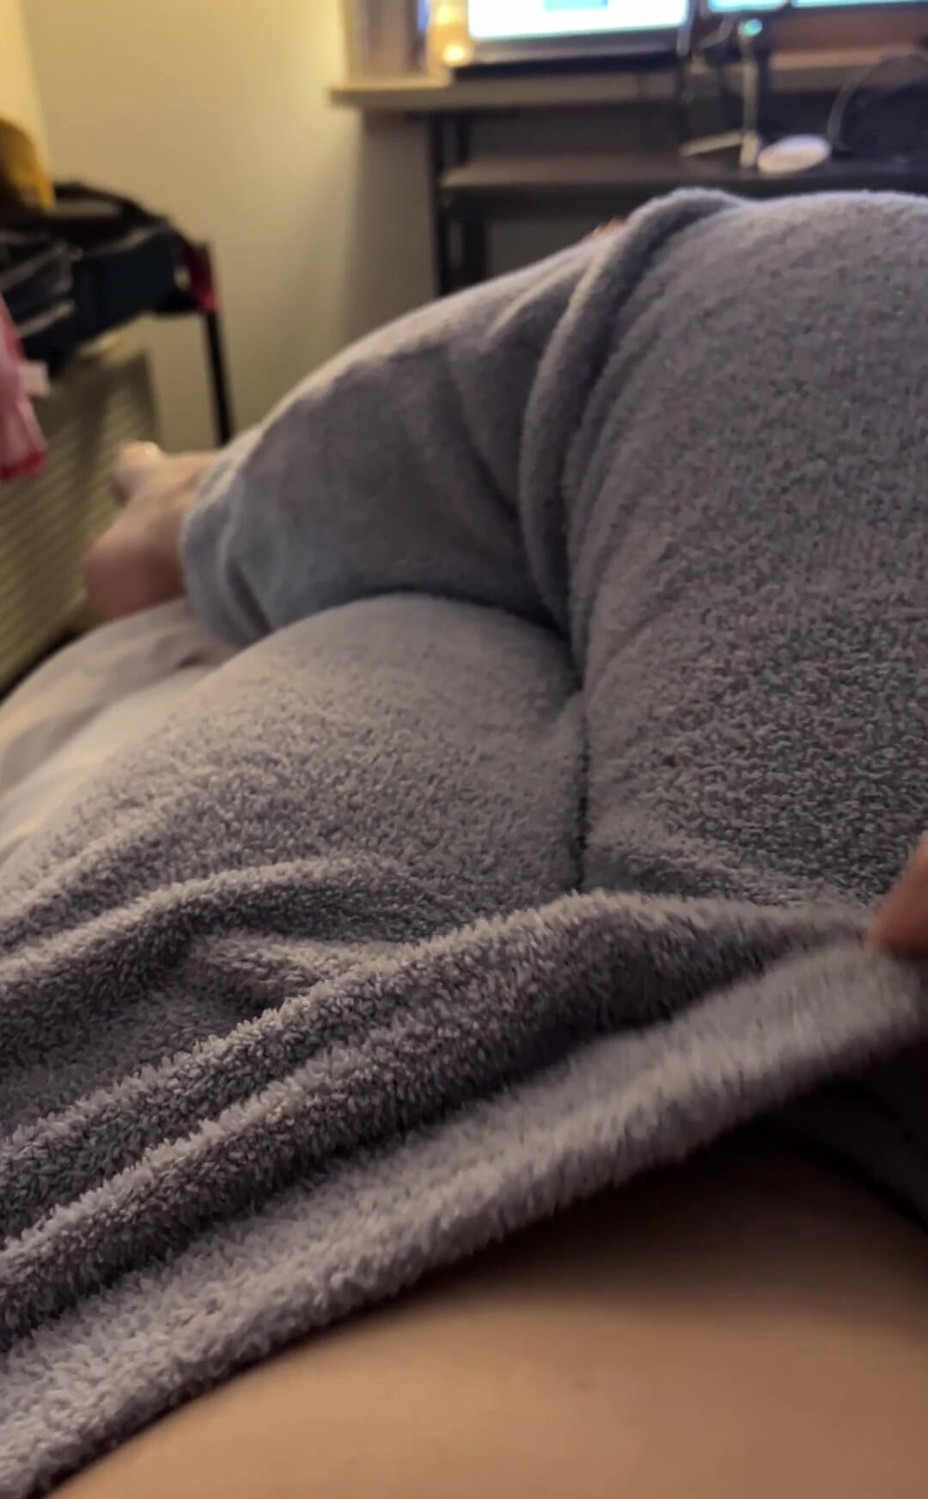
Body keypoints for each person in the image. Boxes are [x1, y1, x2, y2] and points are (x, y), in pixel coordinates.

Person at [63, 190, 928, 1499]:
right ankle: (199, 502)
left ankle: (194, 505)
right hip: (828, 1036)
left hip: (107, 1207)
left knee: (751, 313)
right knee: (794, 302)